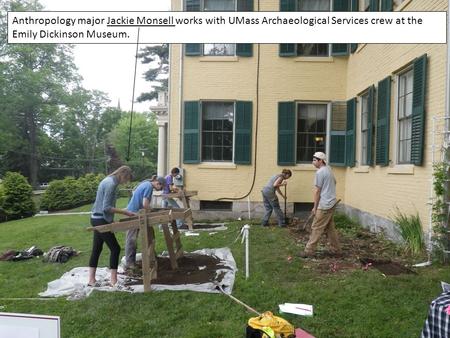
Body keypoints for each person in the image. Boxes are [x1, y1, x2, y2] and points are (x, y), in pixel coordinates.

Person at [88, 166, 135, 287]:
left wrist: (111, 220)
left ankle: (91, 280)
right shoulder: (111, 184)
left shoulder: (108, 180)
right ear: (122, 175)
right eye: (126, 179)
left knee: (97, 249)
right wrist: (125, 212)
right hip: (100, 220)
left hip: (96, 218)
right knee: (115, 249)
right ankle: (113, 280)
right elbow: (106, 208)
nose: (126, 182)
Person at [299, 152, 341, 258]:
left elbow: (317, 191)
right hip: (331, 202)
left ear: (321, 161)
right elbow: (334, 182)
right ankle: (336, 250)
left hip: (325, 204)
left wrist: (315, 206)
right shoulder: (329, 169)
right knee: (330, 228)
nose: (313, 162)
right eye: (313, 159)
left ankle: (308, 251)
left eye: (314, 160)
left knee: (316, 227)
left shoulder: (320, 172)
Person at [124, 175, 166, 271]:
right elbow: (145, 204)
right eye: (161, 187)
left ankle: (152, 256)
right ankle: (130, 263)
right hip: (134, 213)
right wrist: (151, 210)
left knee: (149, 232)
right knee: (132, 238)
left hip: (136, 212)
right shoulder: (149, 187)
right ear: (158, 183)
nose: (160, 190)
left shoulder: (146, 184)